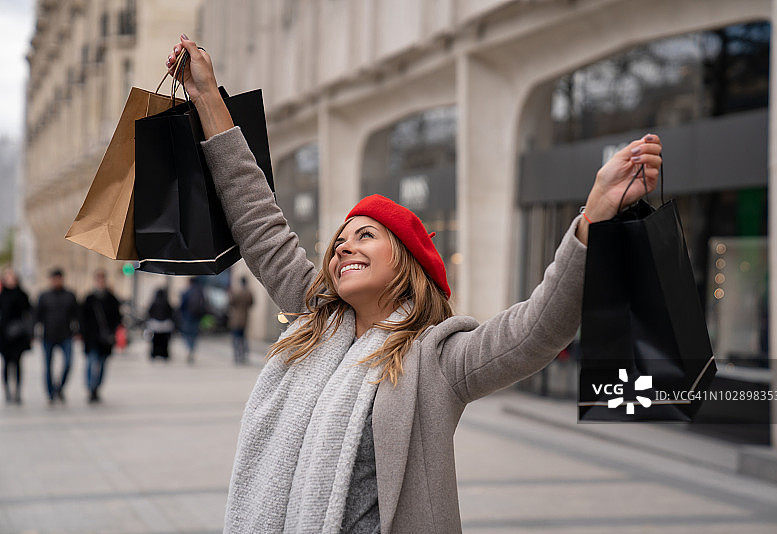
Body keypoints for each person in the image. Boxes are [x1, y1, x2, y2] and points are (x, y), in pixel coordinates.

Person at [167, 36, 662, 533]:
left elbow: (537, 329)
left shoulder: (438, 360)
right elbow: (258, 218)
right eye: (340, 241)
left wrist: (593, 217)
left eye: (365, 236)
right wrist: (206, 95)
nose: (343, 247)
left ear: (405, 262)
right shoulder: (316, 317)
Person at [35, 268, 79, 403]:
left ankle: (59, 387)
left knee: (68, 362)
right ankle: (50, 393)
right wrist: (33, 332)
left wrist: (79, 331)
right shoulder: (44, 296)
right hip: (48, 336)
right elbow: (37, 316)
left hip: (66, 335)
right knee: (48, 366)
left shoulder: (69, 295)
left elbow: (77, 315)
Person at [79, 269, 121, 403]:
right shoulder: (89, 298)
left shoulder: (111, 299)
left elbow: (117, 317)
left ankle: (97, 387)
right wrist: (82, 333)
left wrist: (112, 331)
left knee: (102, 364)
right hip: (91, 337)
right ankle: (90, 388)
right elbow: (82, 317)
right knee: (91, 362)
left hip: (105, 339)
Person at [0, 269, 33, 404]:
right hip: (4, 334)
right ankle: (7, 390)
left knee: (18, 363)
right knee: (6, 363)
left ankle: (18, 391)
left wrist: (29, 332)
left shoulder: (22, 295)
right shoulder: (2, 295)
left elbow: (28, 313)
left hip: (19, 334)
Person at [180, 277, 207, 363]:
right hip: (197, 317)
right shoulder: (200, 291)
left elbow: (182, 305)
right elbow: (204, 304)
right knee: (194, 334)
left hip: (187, 317)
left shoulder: (187, 291)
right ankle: (192, 348)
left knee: (187, 333)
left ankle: (189, 347)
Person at [227, 276, 254, 365]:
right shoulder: (248, 292)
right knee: (242, 337)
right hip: (245, 318)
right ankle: (244, 355)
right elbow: (251, 303)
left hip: (236, 318)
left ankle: (237, 356)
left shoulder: (237, 292)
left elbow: (231, 302)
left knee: (236, 338)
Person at [147, 288, 175, 360]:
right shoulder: (166, 302)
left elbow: (149, 312)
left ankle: (155, 353)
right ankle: (164, 354)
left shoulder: (154, 302)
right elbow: (171, 312)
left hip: (155, 325)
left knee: (155, 340)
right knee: (164, 341)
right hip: (165, 325)